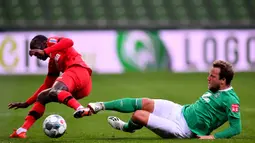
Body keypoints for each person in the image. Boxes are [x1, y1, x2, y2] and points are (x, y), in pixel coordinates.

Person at [75, 60, 242, 139]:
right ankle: (99, 106)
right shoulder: (214, 88)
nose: (208, 78)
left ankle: (126, 128)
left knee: (138, 115)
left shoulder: (231, 100)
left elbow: (236, 128)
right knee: (145, 102)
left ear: (223, 80)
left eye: (212, 76)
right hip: (180, 110)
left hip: (184, 129)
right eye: (209, 74)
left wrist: (212, 137)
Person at [8, 35, 92, 138]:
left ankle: (80, 109)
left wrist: (46, 51)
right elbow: (47, 84)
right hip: (78, 88)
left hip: (78, 71)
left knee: (55, 90)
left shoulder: (52, 41)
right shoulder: (53, 62)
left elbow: (69, 41)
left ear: (43, 44)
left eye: (36, 51)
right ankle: (21, 130)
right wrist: (27, 103)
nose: (36, 55)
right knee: (42, 96)